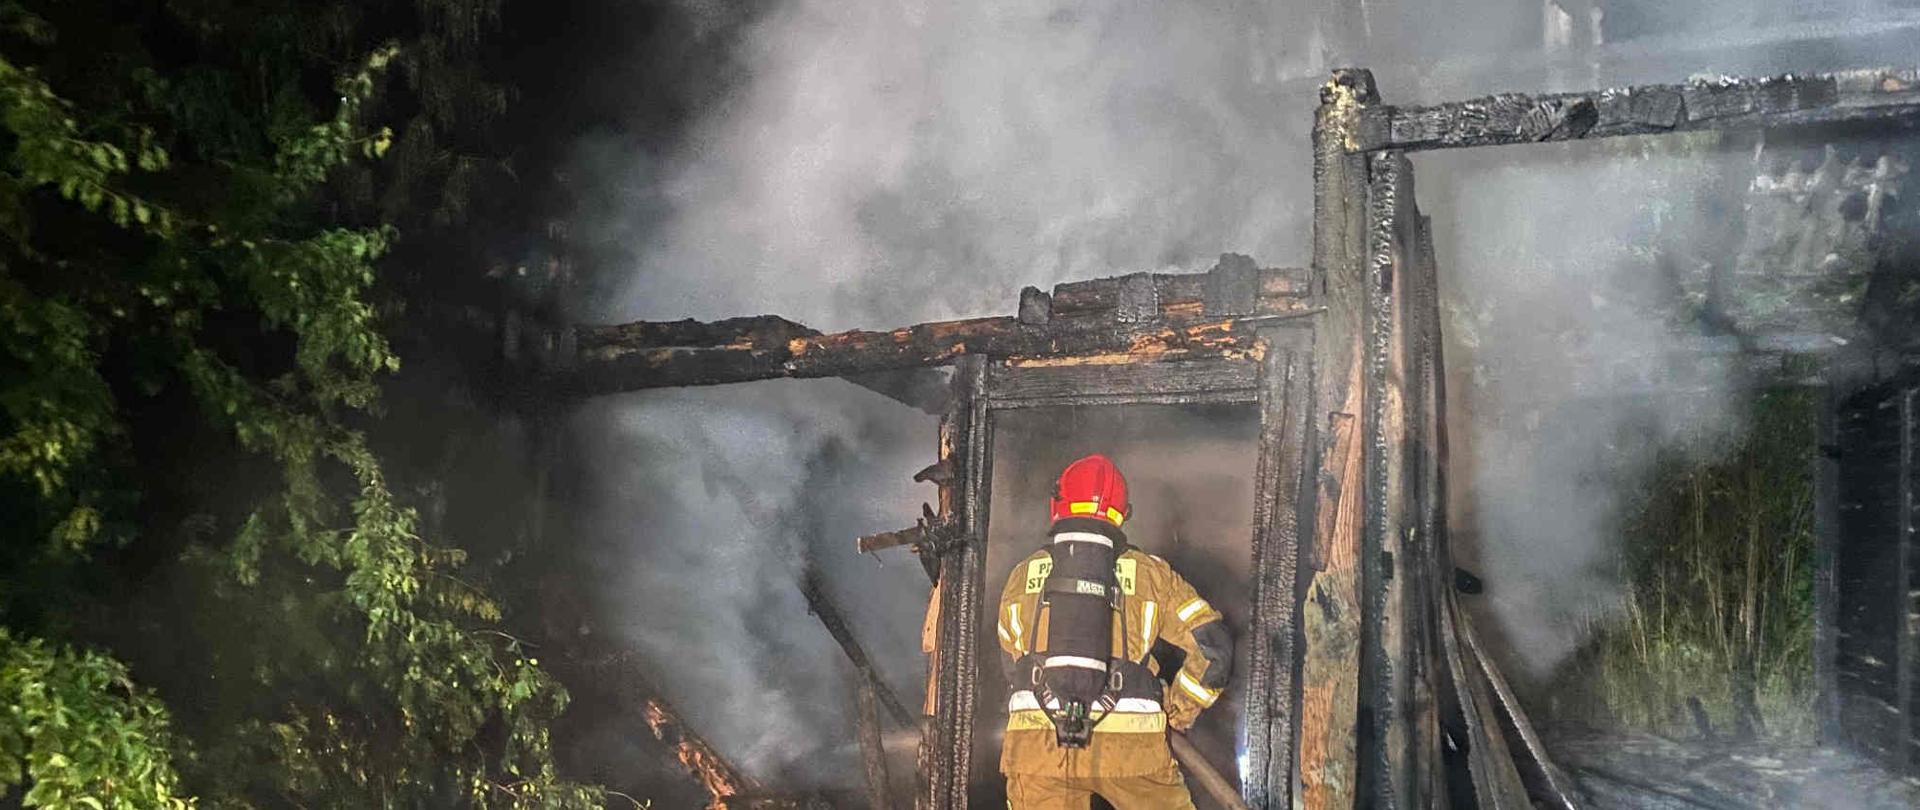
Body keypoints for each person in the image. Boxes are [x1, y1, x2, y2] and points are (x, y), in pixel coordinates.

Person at [995, 454, 1233, 809]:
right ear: (1123, 514)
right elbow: (1214, 648)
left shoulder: (1022, 575)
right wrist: (1177, 711)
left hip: (1037, 745)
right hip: (1132, 747)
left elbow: (1012, 665)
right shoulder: (1151, 575)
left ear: (1057, 504)